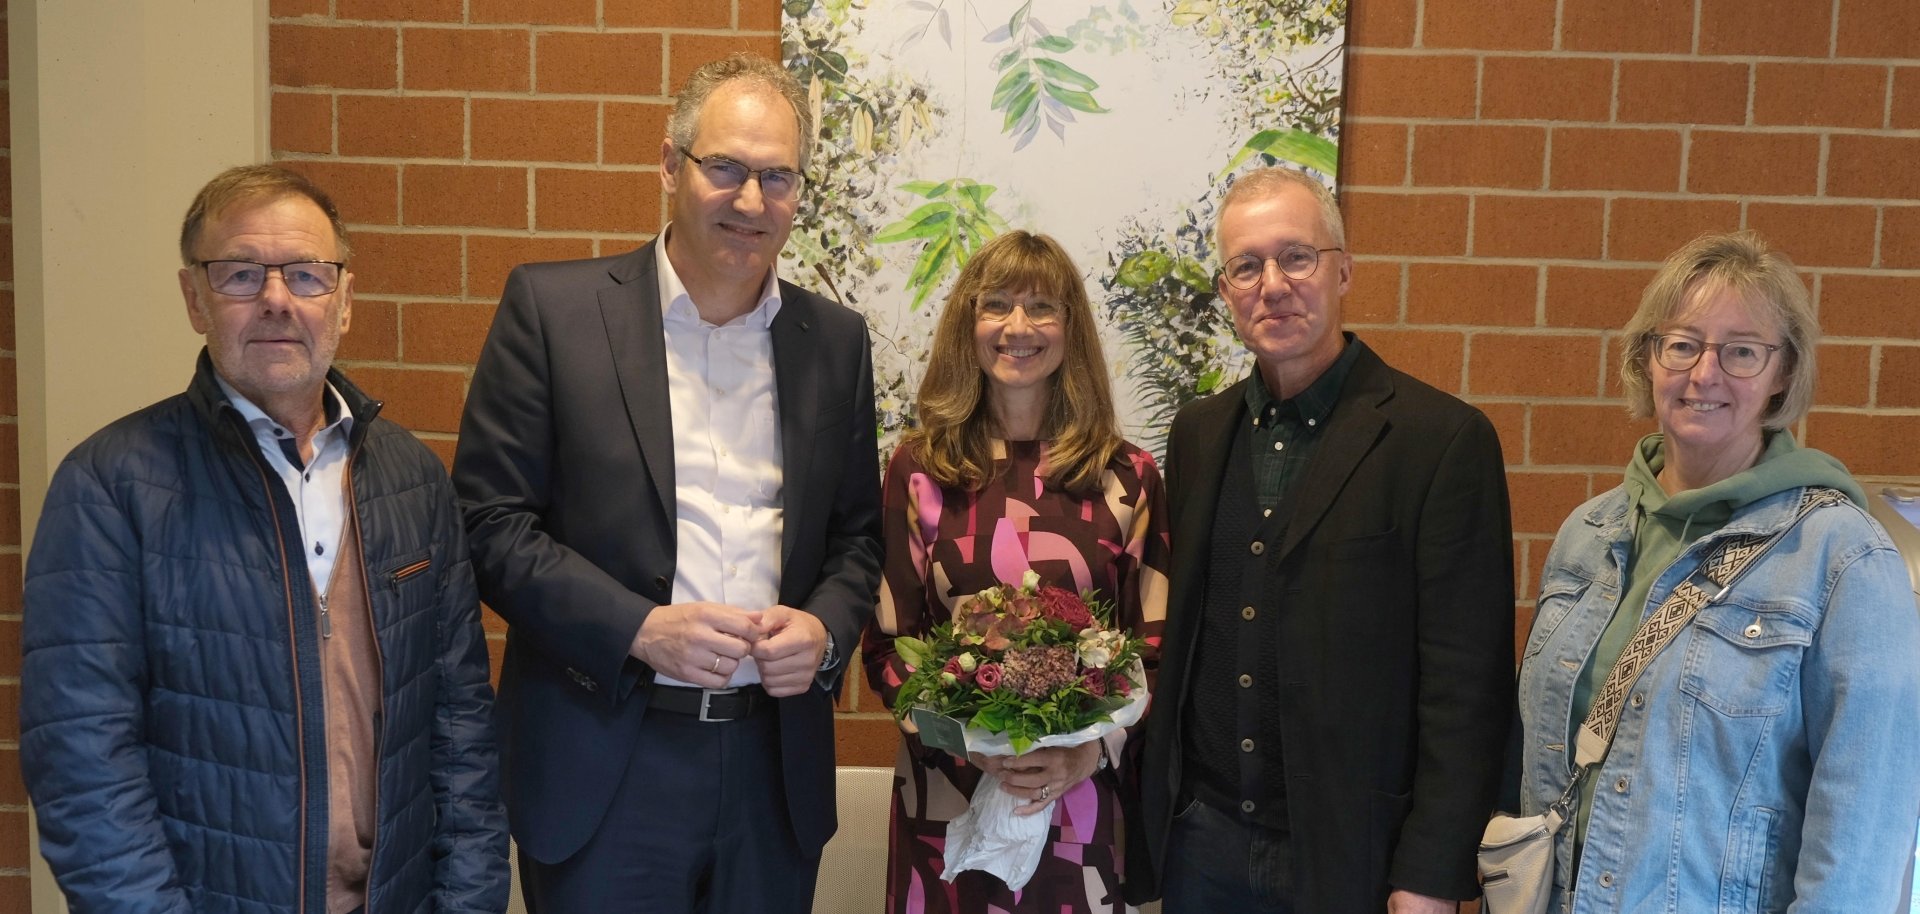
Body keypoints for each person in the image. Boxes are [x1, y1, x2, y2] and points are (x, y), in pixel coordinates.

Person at [452, 52, 883, 914]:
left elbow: (857, 538)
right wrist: (638, 629)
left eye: (777, 177)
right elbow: (489, 523)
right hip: (606, 760)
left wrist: (826, 630)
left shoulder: (835, 342)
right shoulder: (555, 311)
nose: (750, 201)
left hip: (770, 773)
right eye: (725, 167)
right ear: (668, 165)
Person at [19, 164, 510, 914]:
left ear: (345, 300)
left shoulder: (411, 479)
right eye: (241, 274)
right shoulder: (111, 487)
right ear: (195, 299)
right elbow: (82, 761)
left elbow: (461, 727)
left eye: (307, 275)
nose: (277, 299)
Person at [1126, 167, 1516, 913]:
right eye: (1247, 266)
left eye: (1296, 258)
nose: (1273, 285)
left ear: (1343, 272)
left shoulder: (1440, 441)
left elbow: (1468, 687)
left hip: (1352, 852)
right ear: (1226, 292)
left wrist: (1431, 873)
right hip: (1202, 844)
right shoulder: (1199, 434)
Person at [1512, 230, 1920, 911]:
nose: (1705, 374)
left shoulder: (1845, 559)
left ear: (1783, 373)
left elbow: (1863, 845)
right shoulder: (1589, 534)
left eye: (1741, 351)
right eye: (1682, 344)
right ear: (1647, 358)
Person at [862, 231, 1171, 912]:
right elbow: (887, 648)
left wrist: (1090, 752)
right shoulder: (920, 470)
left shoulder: (1128, 477)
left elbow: (1156, 650)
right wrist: (970, 742)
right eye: (996, 304)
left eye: (1042, 307)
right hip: (945, 800)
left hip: (1080, 803)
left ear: (1071, 329)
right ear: (967, 324)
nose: (1018, 327)